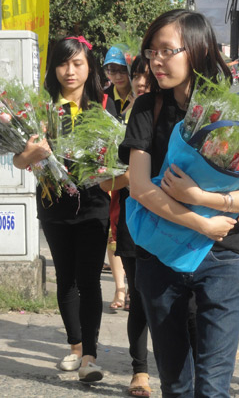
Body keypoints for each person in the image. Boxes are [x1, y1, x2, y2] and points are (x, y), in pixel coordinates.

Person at [119, 9, 239, 397]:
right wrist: (200, 220)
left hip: (220, 257)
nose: (156, 60)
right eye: (151, 51)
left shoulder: (230, 113)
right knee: (176, 384)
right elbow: (138, 187)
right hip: (159, 257)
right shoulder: (146, 109)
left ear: (197, 51)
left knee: (213, 385)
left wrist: (202, 197)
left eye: (167, 50)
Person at [13, 35, 117, 383]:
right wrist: (34, 153)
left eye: (77, 64)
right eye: (62, 63)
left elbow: (119, 157)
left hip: (93, 205)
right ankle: (74, 347)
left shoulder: (103, 108)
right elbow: (18, 160)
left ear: (90, 67)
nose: (69, 71)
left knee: (89, 280)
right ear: (53, 67)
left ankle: (89, 355)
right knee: (65, 278)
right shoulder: (41, 110)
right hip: (53, 205)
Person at [100, 55, 153, 396]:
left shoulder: (180, 117)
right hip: (134, 219)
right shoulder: (117, 120)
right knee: (141, 298)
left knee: (177, 300)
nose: (141, 82)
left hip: (177, 222)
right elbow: (107, 182)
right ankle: (141, 371)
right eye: (138, 76)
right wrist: (135, 178)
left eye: (146, 78)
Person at [102, 44, 130, 310]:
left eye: (122, 70)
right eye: (112, 70)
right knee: (114, 232)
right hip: (111, 170)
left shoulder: (140, 96)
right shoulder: (103, 99)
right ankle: (120, 289)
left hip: (137, 169)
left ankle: (134, 287)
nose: (117, 75)